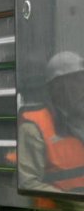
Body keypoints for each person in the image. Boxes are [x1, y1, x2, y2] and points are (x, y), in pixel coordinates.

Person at [19, 51, 84, 194]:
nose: (82, 87)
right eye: (77, 80)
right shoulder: (34, 127)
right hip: (60, 206)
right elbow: (28, 183)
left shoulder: (79, 119)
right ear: (57, 86)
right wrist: (73, 201)